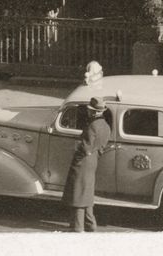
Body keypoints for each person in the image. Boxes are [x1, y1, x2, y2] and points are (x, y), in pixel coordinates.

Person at [64, 97, 111, 233]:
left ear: (95, 112)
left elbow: (85, 147)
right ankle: (91, 224)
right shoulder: (105, 126)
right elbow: (101, 147)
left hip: (83, 161)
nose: (88, 112)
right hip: (93, 161)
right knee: (87, 193)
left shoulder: (92, 126)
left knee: (78, 193)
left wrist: (77, 151)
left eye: (90, 110)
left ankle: (77, 228)